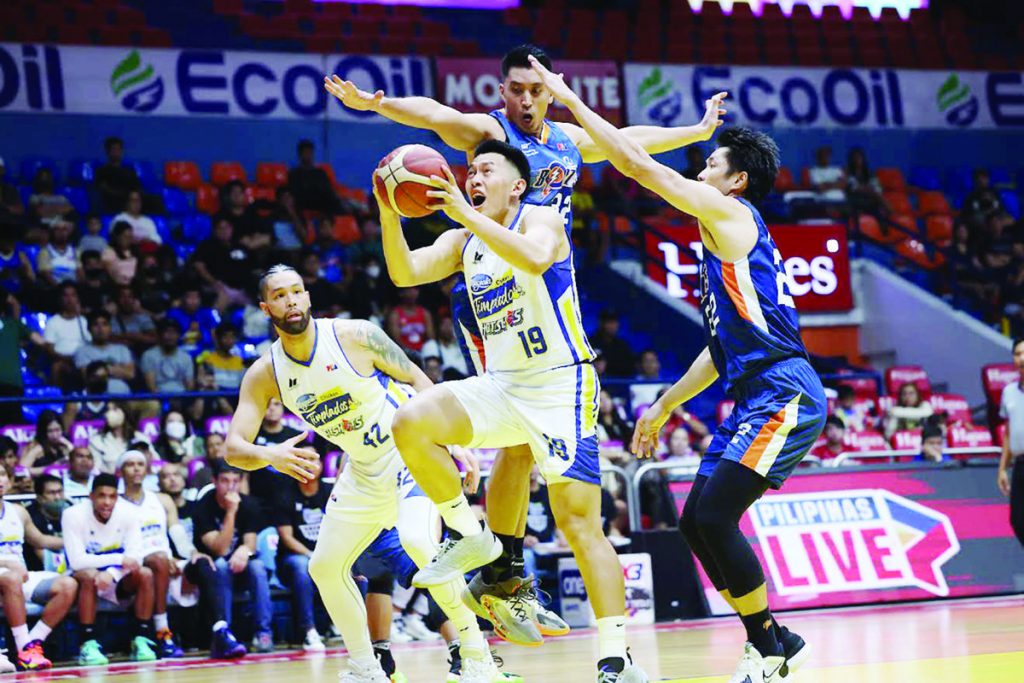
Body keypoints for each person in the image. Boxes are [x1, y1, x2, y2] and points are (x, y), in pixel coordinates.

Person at [327, 46, 724, 660]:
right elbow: (434, 117)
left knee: (545, 474)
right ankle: (495, 561)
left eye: (535, 90)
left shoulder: (564, 140)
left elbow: (625, 139)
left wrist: (695, 131)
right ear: (504, 90)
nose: (525, 100)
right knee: (506, 438)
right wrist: (377, 105)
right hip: (494, 290)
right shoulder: (492, 135)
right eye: (516, 89)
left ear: (550, 89)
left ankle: (509, 575)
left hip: (542, 272)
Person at [530, 59, 822, 682]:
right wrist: (663, 406)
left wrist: (567, 100)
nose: (701, 169)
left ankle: (770, 644)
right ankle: (770, 640)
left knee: (715, 517)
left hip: (783, 390)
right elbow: (719, 351)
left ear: (737, 181)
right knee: (694, 521)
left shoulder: (730, 215)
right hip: (754, 389)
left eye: (712, 164)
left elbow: (636, 165)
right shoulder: (722, 242)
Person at [377, 139, 644, 682]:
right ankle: (470, 535)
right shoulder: (461, 239)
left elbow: (536, 258)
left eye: (486, 170)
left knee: (578, 523)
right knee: (410, 421)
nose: (473, 178)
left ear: (516, 184)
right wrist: (388, 209)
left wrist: (460, 214)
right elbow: (404, 273)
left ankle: (617, 657)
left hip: (559, 387)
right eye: (469, 170)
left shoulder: (540, 218)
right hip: (500, 386)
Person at [224, 265, 503, 683]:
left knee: (422, 545)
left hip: (410, 455)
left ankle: (478, 658)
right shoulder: (266, 373)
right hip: (363, 469)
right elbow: (233, 449)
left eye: (298, 291)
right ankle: (366, 668)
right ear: (266, 308)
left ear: (309, 297)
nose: (292, 301)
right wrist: (270, 455)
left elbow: (415, 377)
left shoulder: (355, 335)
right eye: (280, 296)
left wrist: (454, 440)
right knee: (324, 566)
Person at [62, 473, 158, 665]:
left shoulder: (128, 514)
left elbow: (136, 557)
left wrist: (112, 573)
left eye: (112, 496)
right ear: (91, 496)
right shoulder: (72, 514)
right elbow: (76, 561)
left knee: (145, 574)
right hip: (84, 577)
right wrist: (119, 559)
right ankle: (87, 644)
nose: (107, 502)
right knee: (89, 575)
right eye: (101, 496)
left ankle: (140, 639)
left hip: (117, 576)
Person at [184, 460, 270, 658]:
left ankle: (263, 633)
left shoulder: (248, 504)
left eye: (235, 481)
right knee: (221, 565)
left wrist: (244, 551)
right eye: (225, 481)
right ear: (214, 481)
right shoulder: (203, 507)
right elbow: (220, 549)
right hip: (211, 568)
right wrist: (231, 512)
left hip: (240, 565)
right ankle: (225, 633)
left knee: (257, 567)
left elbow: (251, 543)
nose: (231, 487)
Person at [0, 468, 75, 671]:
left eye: (2, 475)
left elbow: (40, 540)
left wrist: (74, 542)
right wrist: (5, 564)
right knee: (12, 578)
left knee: (67, 585)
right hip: (7, 576)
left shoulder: (18, 511)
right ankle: (24, 647)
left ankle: (30, 645)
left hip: (18, 577)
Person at [117, 450, 186, 657]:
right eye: (130, 464)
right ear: (120, 472)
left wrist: (191, 554)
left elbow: (177, 532)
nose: (136, 468)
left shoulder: (162, 499)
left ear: (147, 470)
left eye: (140, 464)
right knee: (158, 561)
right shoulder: (115, 504)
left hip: (162, 559)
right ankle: (162, 630)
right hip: (130, 564)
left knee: (203, 566)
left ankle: (215, 631)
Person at [272, 458, 328, 652]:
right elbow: (287, 538)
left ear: (321, 466)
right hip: (292, 558)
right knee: (301, 565)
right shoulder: (284, 495)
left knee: (355, 566)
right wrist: (313, 555)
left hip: (327, 554)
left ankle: (354, 627)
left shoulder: (331, 492)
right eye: (303, 460)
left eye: (313, 460)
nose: (308, 465)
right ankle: (309, 631)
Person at [998, 337, 1024, 548]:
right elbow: (1009, 430)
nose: (1021, 358)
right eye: (1017, 354)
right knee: (1017, 520)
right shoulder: (1009, 392)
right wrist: (1002, 468)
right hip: (1020, 464)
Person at [74, 311, 135, 392]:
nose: (100, 328)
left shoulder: (122, 349)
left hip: (123, 397)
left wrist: (103, 370)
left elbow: (130, 374)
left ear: (110, 329)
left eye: (105, 324)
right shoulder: (81, 351)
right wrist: (117, 368)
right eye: (95, 325)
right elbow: (87, 375)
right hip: (96, 398)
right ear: (89, 329)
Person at [288, 139, 342, 215]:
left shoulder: (320, 172)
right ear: (300, 155)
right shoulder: (294, 174)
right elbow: (296, 193)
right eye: (306, 153)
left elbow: (328, 189)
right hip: (305, 202)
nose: (309, 156)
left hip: (322, 201)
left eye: (311, 153)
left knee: (338, 203)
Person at [141, 318, 195, 394]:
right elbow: (151, 386)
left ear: (178, 335)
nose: (170, 336)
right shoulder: (149, 355)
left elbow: (189, 386)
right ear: (159, 335)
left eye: (173, 332)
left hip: (181, 397)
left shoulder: (186, 357)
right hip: (158, 397)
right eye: (166, 331)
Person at [19, 410, 74, 477]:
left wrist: (69, 445)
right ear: (43, 432)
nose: (55, 435)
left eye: (57, 430)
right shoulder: (38, 448)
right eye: (50, 431)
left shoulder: (65, 445)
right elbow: (21, 471)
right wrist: (51, 468)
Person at [95, 136, 142, 214]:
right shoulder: (101, 171)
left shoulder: (129, 170)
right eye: (114, 149)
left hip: (130, 200)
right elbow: (103, 188)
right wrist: (123, 195)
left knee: (154, 200)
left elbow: (137, 187)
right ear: (108, 151)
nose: (117, 152)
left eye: (119, 149)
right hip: (113, 202)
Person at [197, 322, 245, 390]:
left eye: (232, 337)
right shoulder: (208, 359)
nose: (229, 340)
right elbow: (203, 382)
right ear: (217, 339)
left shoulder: (240, 361)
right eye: (225, 336)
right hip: (215, 397)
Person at [589, 309, 635, 378]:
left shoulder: (622, 345)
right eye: (609, 322)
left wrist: (608, 366)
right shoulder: (590, 343)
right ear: (601, 323)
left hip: (617, 384)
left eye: (614, 322)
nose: (612, 326)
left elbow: (630, 368)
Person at [110, 285, 157, 353]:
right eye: (122, 296)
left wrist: (136, 337)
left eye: (130, 296)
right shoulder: (112, 319)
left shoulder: (143, 318)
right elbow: (107, 339)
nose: (126, 300)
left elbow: (155, 339)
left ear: (134, 300)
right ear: (117, 300)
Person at [36, 220, 79, 286]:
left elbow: (80, 272)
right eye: (57, 229)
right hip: (55, 289)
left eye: (64, 229)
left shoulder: (75, 251)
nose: (61, 232)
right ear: (52, 232)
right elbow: (46, 275)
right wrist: (60, 289)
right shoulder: (44, 252)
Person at [102, 221, 139, 287]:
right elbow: (110, 275)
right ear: (117, 237)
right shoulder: (109, 252)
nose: (128, 240)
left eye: (130, 237)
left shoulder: (136, 252)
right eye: (125, 237)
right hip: (116, 286)